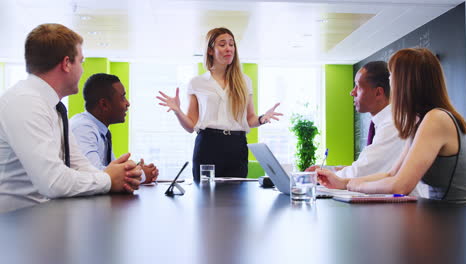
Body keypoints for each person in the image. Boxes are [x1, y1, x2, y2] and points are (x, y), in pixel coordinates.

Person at [0, 23, 142, 213]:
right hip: (17, 229)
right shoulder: (25, 102)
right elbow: (53, 181)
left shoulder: (52, 107)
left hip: (42, 221)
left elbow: (78, 164)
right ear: (66, 63)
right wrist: (108, 179)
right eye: (81, 62)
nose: (83, 70)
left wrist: (121, 176)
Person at [317, 48, 466, 202]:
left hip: (454, 221)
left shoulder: (436, 119)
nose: (390, 83)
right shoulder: (422, 122)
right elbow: (392, 174)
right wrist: (344, 183)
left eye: (391, 76)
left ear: (405, 83)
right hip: (443, 218)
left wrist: (355, 186)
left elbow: (400, 186)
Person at [157, 27, 282, 181]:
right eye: (222, 44)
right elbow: (191, 125)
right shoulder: (197, 83)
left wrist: (262, 118)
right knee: (205, 198)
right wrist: (178, 111)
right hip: (208, 145)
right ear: (210, 50)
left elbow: (250, 119)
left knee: (236, 200)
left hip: (236, 146)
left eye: (231, 44)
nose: (228, 48)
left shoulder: (245, 81)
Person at [307, 61, 407, 179]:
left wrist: (325, 176)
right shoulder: (384, 122)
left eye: (358, 87)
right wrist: (331, 170)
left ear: (378, 93)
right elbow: (367, 167)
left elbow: (364, 171)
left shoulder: (392, 124)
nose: (352, 92)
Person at [70, 73, 159, 184]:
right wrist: (141, 174)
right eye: (122, 97)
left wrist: (135, 169)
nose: (128, 103)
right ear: (104, 104)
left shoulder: (101, 130)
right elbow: (95, 176)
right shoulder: (83, 128)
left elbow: (112, 170)